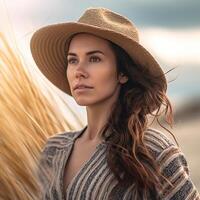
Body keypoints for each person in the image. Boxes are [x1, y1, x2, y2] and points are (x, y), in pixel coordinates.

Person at [30, 7, 200, 200]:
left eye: (94, 58)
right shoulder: (53, 149)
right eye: (72, 60)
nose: (79, 71)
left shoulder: (153, 150)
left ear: (123, 73)